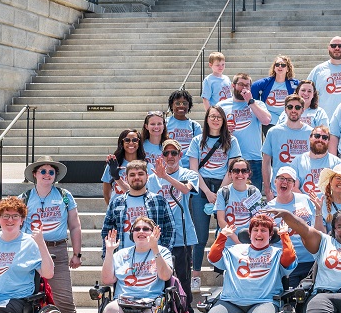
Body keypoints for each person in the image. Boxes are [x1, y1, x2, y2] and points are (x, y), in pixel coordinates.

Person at [21, 156, 88, 313]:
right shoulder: (24, 197)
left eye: (51, 172)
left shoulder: (64, 195)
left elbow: (75, 225)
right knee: (27, 301)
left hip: (57, 250)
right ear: (35, 174)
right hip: (30, 253)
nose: (47, 175)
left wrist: (77, 254)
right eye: (43, 171)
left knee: (65, 301)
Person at [186, 106, 242, 272]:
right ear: (207, 119)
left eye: (219, 117)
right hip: (201, 188)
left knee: (223, 232)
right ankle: (195, 273)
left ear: (224, 120)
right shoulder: (197, 140)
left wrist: (219, 193)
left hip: (223, 187)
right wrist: (207, 192)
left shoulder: (232, 141)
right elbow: (193, 171)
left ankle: (222, 271)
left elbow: (232, 169)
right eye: (212, 116)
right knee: (200, 236)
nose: (215, 119)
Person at [147, 141, 200, 296]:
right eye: (166, 153)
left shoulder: (189, 174)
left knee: (184, 279)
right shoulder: (152, 178)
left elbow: (185, 189)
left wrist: (166, 177)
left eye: (174, 153)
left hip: (182, 235)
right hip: (159, 237)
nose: (170, 156)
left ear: (180, 155)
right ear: (161, 156)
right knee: (160, 280)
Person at [100, 160, 175, 252]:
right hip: (124, 258)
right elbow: (106, 231)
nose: (136, 177)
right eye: (132, 175)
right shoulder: (116, 203)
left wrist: (163, 253)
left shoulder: (159, 201)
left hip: (153, 258)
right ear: (126, 178)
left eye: (140, 174)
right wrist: (107, 255)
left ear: (147, 177)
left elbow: (170, 230)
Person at [222, 73, 273, 191]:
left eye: (247, 85)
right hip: (229, 158)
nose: (244, 88)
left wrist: (250, 101)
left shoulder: (257, 104)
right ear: (233, 86)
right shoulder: (222, 105)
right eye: (240, 84)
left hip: (253, 159)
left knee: (253, 200)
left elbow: (266, 120)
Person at [262, 94, 314, 199]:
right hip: (280, 189)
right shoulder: (273, 132)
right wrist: (267, 190)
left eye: (297, 107)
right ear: (285, 110)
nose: (293, 110)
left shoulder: (311, 133)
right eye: (290, 107)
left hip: (302, 191)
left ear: (302, 110)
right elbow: (266, 162)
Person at [214, 157, 265, 234]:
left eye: (244, 171)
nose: (240, 174)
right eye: (236, 171)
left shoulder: (254, 192)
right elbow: (221, 221)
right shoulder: (223, 192)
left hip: (248, 239)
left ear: (249, 173)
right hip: (227, 239)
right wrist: (237, 241)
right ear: (230, 174)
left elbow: (260, 218)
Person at [295, 125, 339, 206]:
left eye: (324, 138)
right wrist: (309, 203)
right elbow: (294, 188)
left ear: (328, 141)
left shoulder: (336, 162)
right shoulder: (298, 161)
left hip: (330, 208)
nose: (320, 140)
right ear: (310, 137)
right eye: (317, 136)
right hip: (305, 207)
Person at [102, 128, 145, 203]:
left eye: (135, 140)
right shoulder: (113, 164)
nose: (131, 143)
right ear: (122, 143)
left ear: (139, 143)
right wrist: (112, 209)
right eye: (127, 140)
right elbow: (106, 194)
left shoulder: (146, 165)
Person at [252, 55, 300, 121]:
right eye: (277, 64)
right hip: (270, 119)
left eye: (283, 65)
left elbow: (304, 88)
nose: (280, 66)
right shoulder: (267, 82)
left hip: (287, 119)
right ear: (274, 68)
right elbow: (253, 87)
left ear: (288, 69)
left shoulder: (294, 83)